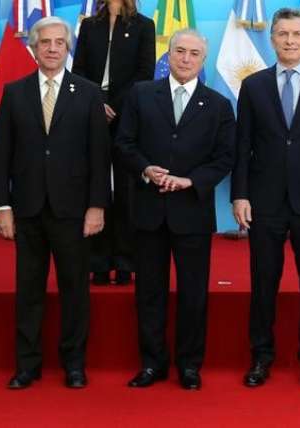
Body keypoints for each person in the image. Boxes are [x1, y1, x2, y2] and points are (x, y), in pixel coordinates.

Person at [0, 16, 110, 389]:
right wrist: (2, 206)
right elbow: (2, 157)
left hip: (74, 211)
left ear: (67, 47)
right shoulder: (14, 93)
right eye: (46, 43)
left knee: (75, 290)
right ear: (34, 47)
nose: (53, 48)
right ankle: (28, 365)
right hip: (26, 209)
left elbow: (99, 155)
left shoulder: (89, 93)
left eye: (60, 42)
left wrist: (96, 206)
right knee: (29, 290)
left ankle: (74, 364)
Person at [115, 28, 235, 390]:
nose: (185, 59)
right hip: (149, 209)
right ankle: (152, 364)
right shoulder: (141, 94)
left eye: (194, 53)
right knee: (148, 292)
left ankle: (190, 365)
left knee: (193, 293)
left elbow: (225, 157)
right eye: (179, 51)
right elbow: (123, 143)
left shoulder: (218, 105)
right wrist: (145, 169)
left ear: (203, 60)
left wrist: (191, 181)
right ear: (168, 56)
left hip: (192, 212)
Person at [231, 8, 300, 388]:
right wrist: (240, 195)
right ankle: (261, 358)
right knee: (264, 283)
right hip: (264, 202)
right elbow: (242, 144)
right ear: (273, 38)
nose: (290, 41)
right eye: (283, 34)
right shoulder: (254, 85)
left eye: (297, 34)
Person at [72, 0, 155, 286]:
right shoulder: (89, 25)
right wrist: (97, 102)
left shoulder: (144, 25)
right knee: (95, 184)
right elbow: (78, 69)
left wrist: (115, 106)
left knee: (125, 188)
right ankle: (97, 260)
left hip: (127, 115)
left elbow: (144, 74)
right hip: (90, 113)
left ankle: (124, 260)